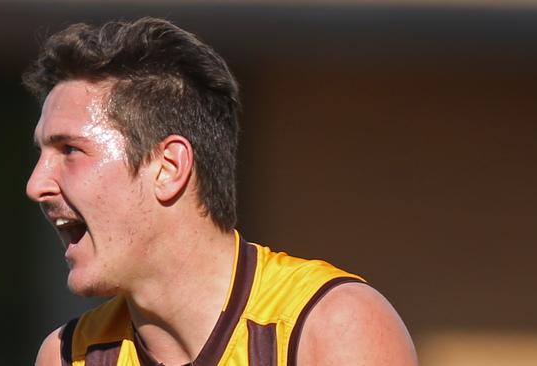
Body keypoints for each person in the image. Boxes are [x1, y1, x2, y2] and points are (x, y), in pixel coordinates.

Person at [24, 17, 418, 366]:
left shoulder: (330, 328)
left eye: (70, 150)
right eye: (42, 153)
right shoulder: (67, 355)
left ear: (168, 167)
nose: (36, 185)